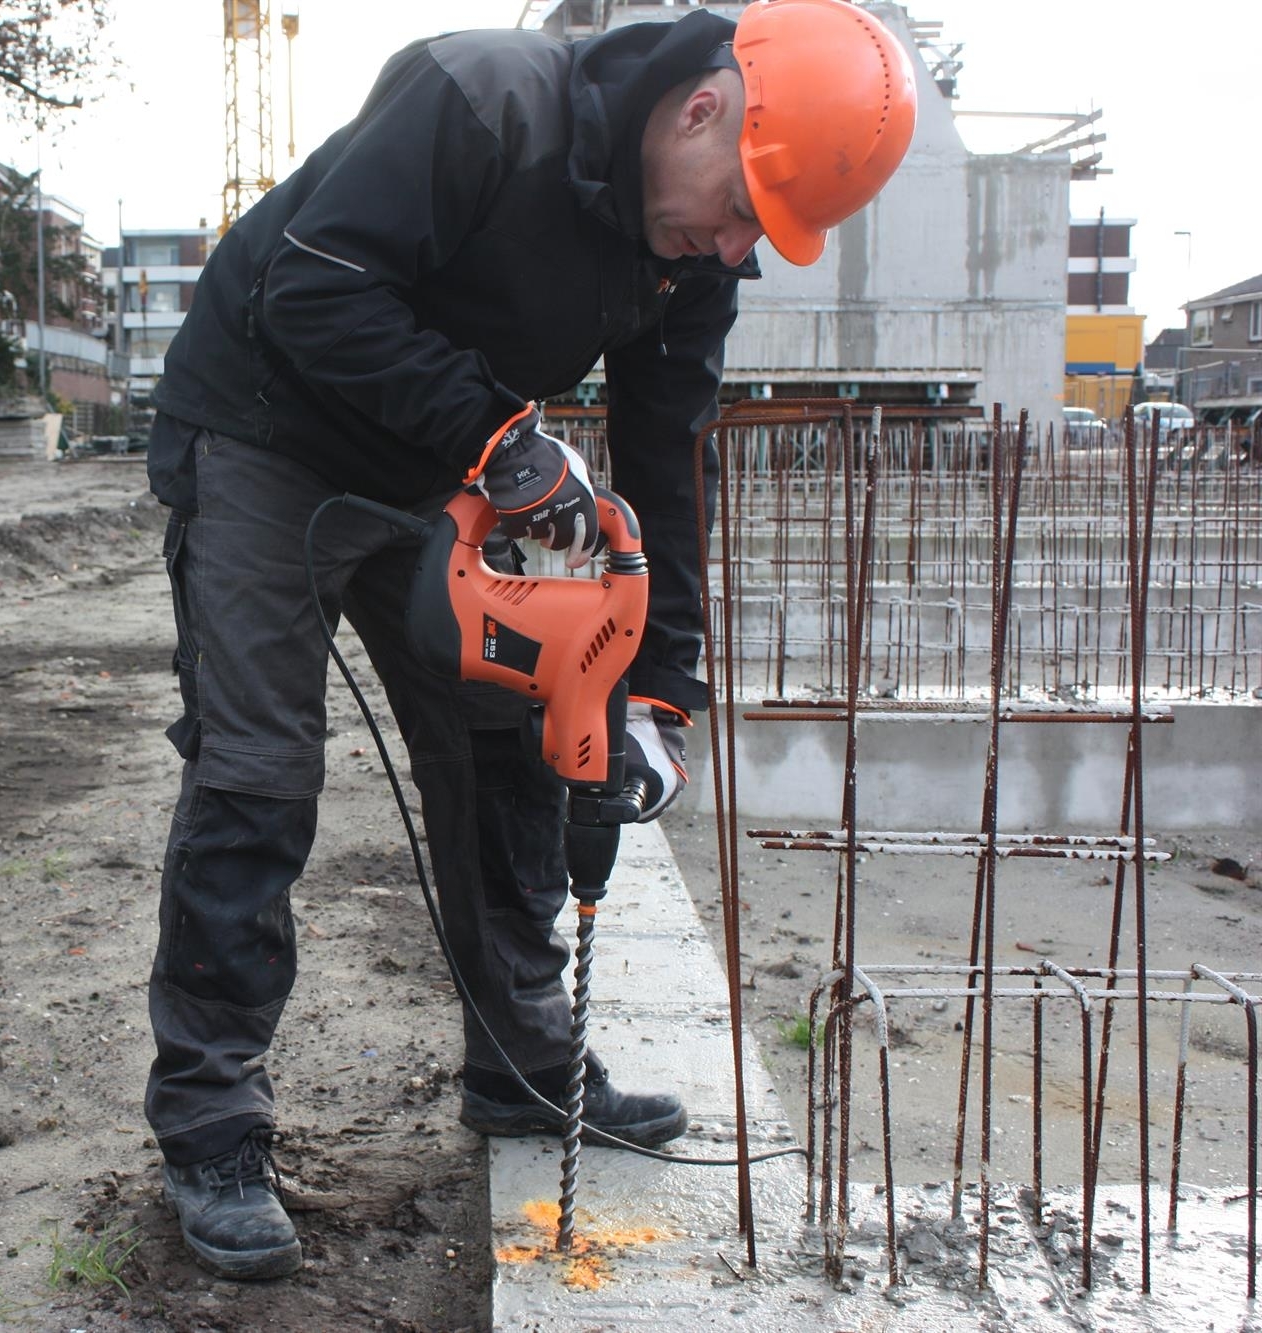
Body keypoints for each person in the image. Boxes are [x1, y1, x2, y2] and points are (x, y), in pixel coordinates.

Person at [141, 0, 916, 1281]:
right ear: (700, 107)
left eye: (759, 235)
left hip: (439, 463)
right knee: (259, 767)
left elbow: (663, 460)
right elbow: (310, 290)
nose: (733, 244)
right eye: (738, 207)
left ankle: (520, 1067)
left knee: (511, 741)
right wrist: (501, 441)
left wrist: (661, 689)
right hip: (264, 427)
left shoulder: (695, 255)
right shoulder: (482, 97)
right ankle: (212, 1125)